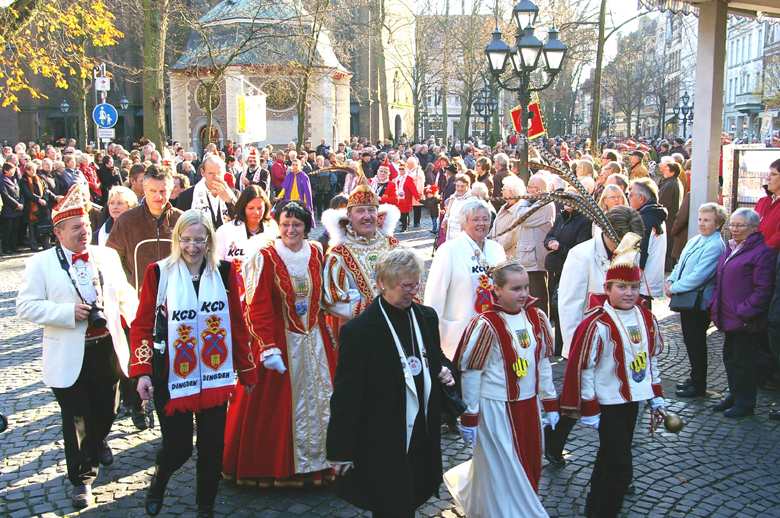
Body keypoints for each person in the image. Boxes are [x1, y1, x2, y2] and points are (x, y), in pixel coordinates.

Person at [130, 209, 258, 518]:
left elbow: (237, 325)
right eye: (186, 240)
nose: (192, 248)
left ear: (209, 240)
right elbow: (142, 325)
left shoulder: (225, 272)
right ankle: (159, 481)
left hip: (216, 374)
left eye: (199, 240)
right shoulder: (158, 272)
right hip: (173, 375)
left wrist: (247, 369)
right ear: (177, 240)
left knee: (213, 448)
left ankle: (205, 508)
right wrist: (142, 372)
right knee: (178, 448)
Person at [16, 185, 138, 509]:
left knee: (108, 410)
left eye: (86, 225)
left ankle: (97, 444)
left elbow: (126, 295)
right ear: (58, 232)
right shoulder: (40, 264)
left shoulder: (107, 256)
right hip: (68, 354)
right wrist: (65, 313)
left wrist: (140, 321)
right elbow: (25, 306)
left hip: (107, 349)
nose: (84, 232)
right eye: (76, 228)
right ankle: (82, 480)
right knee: (77, 417)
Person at [326, 247, 456, 518]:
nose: (412, 291)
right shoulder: (359, 332)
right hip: (384, 438)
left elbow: (437, 356)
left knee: (414, 494)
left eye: (416, 284)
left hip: (422, 432)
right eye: (406, 285)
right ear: (382, 284)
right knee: (391, 506)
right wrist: (340, 450)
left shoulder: (426, 317)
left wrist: (445, 370)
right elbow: (346, 396)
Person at [223, 201, 336, 487]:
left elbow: (321, 297)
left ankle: (324, 463)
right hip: (279, 341)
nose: (290, 229)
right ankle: (274, 465)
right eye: (285, 224)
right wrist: (267, 347)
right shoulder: (265, 257)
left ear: (306, 227)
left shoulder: (316, 253)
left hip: (314, 340)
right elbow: (256, 305)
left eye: (296, 224)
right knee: (274, 409)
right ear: (278, 225)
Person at [560, 232, 665, 518]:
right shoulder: (597, 323)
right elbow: (585, 368)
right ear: (608, 288)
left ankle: (595, 508)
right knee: (621, 464)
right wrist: (589, 406)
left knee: (608, 456)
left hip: (633, 401)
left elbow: (650, 358)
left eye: (633, 287)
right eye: (622, 287)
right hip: (607, 404)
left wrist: (656, 395)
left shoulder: (645, 317)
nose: (629, 293)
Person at [444, 261, 557, 518]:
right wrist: (469, 416)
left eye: (526, 287)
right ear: (496, 290)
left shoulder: (537, 318)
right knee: (504, 468)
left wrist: (549, 401)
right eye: (516, 288)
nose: (524, 294)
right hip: (495, 409)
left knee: (529, 461)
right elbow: (472, 373)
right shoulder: (486, 324)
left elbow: (543, 363)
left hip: (528, 405)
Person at [707, 208, 776, 418]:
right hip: (729, 315)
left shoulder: (762, 252)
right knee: (730, 357)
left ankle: (745, 402)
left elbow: (763, 289)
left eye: (739, 226)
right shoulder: (731, 248)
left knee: (744, 361)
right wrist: (714, 304)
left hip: (744, 318)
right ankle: (735, 394)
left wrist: (744, 311)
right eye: (732, 225)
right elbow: (722, 280)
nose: (734, 229)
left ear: (753, 228)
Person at [424, 199, 507, 359]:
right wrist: (432, 338)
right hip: (459, 335)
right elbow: (435, 297)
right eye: (475, 219)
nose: (481, 224)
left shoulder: (497, 249)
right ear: (464, 222)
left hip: (492, 332)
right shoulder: (449, 250)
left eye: (485, 219)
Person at [665, 203, 728, 398]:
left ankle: (699, 383)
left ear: (717, 224)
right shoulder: (695, 240)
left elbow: (698, 276)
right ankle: (694, 378)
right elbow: (680, 264)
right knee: (690, 342)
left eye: (707, 220)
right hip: (688, 301)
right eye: (700, 219)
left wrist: (674, 288)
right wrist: (670, 280)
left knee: (696, 343)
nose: (702, 223)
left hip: (699, 304)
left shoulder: (716, 245)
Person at [322, 176, 400, 323]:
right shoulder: (338, 253)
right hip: (360, 330)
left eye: (371, 210)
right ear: (349, 216)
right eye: (360, 211)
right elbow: (332, 302)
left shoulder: (393, 246)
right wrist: (371, 310)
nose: (367, 216)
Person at [544, 192, 594, 355]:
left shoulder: (584, 221)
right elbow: (549, 235)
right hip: (556, 266)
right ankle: (557, 345)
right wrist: (550, 242)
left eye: (569, 200)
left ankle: (567, 345)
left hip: (571, 267)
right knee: (557, 307)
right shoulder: (561, 217)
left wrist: (560, 247)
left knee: (565, 307)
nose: (565, 203)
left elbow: (580, 247)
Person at [513, 174, 556, 315]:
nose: (527, 191)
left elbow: (521, 218)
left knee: (538, 300)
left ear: (538, 190)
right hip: (527, 257)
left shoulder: (545, 205)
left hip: (536, 260)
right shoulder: (534, 203)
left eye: (529, 187)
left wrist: (524, 201)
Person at [628, 178, 667, 307]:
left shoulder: (646, 219)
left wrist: (632, 278)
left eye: (631, 194)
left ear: (641, 198)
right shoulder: (653, 215)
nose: (628, 197)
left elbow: (641, 251)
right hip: (646, 282)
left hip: (642, 283)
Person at [214, 185, 278, 265]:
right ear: (243, 208)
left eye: (260, 208)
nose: (256, 213)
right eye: (251, 208)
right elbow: (217, 263)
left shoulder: (272, 227)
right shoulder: (224, 231)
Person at [175, 154, 237, 229]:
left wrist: (230, 202)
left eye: (219, 173)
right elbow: (182, 228)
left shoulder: (234, 193)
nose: (215, 177)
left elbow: (240, 222)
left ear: (225, 172)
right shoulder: (187, 196)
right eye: (211, 173)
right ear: (202, 172)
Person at [488, 175, 525, 257]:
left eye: (504, 189)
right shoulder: (504, 207)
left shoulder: (519, 210)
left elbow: (511, 236)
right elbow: (494, 228)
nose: (501, 192)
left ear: (511, 192)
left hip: (508, 255)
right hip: (497, 253)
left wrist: (496, 248)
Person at [20, 162, 54, 251]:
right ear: (27, 170)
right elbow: (28, 193)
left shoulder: (39, 178)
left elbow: (45, 190)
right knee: (32, 227)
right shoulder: (24, 180)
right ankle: (34, 245)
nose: (33, 172)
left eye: (34, 170)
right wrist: (38, 199)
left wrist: (45, 199)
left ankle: (46, 244)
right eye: (31, 170)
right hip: (31, 207)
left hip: (42, 206)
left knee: (45, 224)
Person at [658, 162, 684, 271]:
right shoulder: (674, 182)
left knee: (668, 243)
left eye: (667, 170)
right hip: (672, 216)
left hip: (669, 217)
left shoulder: (671, 184)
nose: (664, 171)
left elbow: (664, 202)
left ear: (672, 172)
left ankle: (667, 266)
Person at [754, 158, 780, 253]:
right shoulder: (762, 202)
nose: (768, 178)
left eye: (773, 175)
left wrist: (760, 252)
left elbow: (777, 238)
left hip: (771, 259)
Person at [442, 174, 474, 242]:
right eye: (458, 186)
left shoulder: (470, 201)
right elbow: (448, 214)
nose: (459, 189)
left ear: (467, 186)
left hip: (462, 238)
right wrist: (446, 219)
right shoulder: (453, 198)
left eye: (462, 186)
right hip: (450, 236)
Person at [1, 162, 24, 254]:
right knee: (8, 230)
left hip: (18, 209)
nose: (13, 171)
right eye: (11, 169)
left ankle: (13, 246)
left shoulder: (15, 179)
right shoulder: (2, 180)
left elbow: (20, 192)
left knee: (15, 229)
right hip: (8, 209)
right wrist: (16, 205)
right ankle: (6, 247)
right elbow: (5, 195)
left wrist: (21, 203)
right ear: (6, 170)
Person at [395, 159, 421, 233]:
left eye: (402, 169)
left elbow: (413, 189)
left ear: (405, 169)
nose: (401, 170)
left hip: (405, 199)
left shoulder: (409, 179)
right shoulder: (396, 177)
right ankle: (402, 224)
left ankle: (404, 226)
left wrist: (418, 198)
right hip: (397, 198)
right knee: (399, 213)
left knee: (404, 213)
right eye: (399, 169)